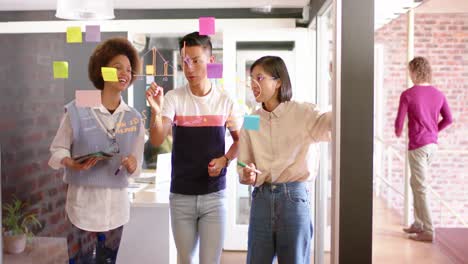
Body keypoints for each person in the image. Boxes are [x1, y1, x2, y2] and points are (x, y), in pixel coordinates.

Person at [145, 32, 240, 264]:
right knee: (185, 260)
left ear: (211, 61)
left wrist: (225, 160)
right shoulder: (174, 98)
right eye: (184, 61)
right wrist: (156, 111)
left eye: (196, 60)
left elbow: (240, 141)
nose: (189, 67)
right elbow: (157, 139)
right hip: (181, 195)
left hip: (214, 195)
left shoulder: (225, 100)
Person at [48, 37, 145, 262]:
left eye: (129, 69)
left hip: (116, 210)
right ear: (102, 71)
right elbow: (57, 149)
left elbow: (137, 165)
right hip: (82, 208)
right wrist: (70, 162)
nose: (124, 73)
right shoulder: (79, 106)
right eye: (117, 67)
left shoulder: (134, 117)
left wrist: (133, 164)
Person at [238, 56, 331, 264]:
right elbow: (244, 163)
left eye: (259, 78)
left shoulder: (304, 112)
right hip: (261, 198)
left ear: (278, 82)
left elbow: (333, 125)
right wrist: (247, 174)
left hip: (294, 199)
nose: (253, 84)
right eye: (251, 79)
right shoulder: (252, 120)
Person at [395, 56, 453, 242]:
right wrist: (435, 130)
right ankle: (418, 223)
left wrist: (397, 132)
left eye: (410, 71)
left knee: (420, 187)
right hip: (432, 146)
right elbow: (449, 119)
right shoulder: (438, 94)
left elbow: (399, 121)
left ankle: (428, 230)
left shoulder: (408, 94)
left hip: (418, 145)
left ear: (414, 72)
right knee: (415, 183)